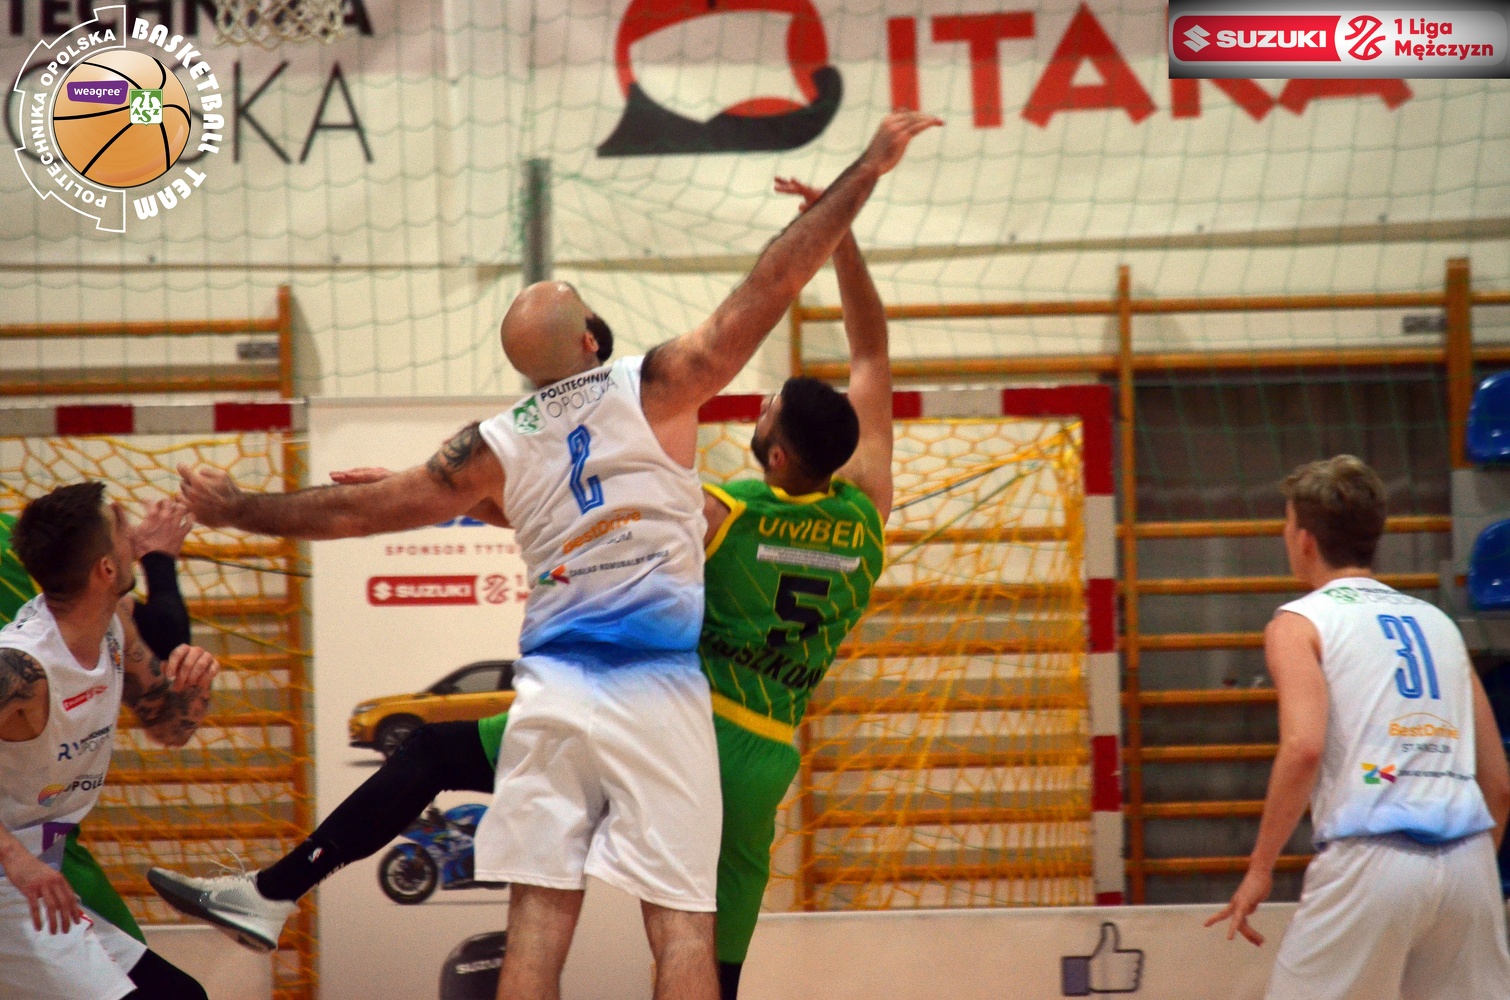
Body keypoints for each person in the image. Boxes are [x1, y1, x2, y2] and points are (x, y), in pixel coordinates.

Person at [173, 111, 940, 1000]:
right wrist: (858, 185)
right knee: (689, 941)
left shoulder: (630, 481)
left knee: (530, 921)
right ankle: (272, 891)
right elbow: (809, 311)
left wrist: (244, 508)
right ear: (591, 341)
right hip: (712, 723)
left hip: (576, 696)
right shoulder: (823, 489)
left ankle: (277, 890)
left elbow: (368, 512)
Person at [1206, 456, 1510, 999]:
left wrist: (1259, 869)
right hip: (1470, 861)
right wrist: (1466, 874)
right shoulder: (1440, 625)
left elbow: (1303, 748)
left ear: (1304, 540)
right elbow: (1499, 785)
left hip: (1370, 857)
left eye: (1286, 524)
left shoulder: (1300, 622)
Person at [0, 482, 219, 1000]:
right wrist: (14, 857)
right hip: (12, 868)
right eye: (124, 532)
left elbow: (171, 728)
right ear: (105, 569)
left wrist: (197, 686)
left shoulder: (114, 626)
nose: (135, 540)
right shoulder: (21, 666)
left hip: (41, 863)